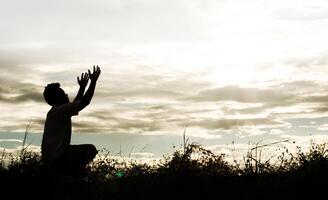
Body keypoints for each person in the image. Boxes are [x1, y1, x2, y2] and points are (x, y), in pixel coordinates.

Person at [41, 65, 101, 180]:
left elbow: (75, 104)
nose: (66, 95)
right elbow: (84, 102)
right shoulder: (58, 111)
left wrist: (82, 87)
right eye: (63, 94)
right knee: (90, 149)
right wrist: (93, 82)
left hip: (53, 158)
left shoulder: (57, 111)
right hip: (57, 159)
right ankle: (72, 175)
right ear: (57, 97)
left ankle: (72, 175)